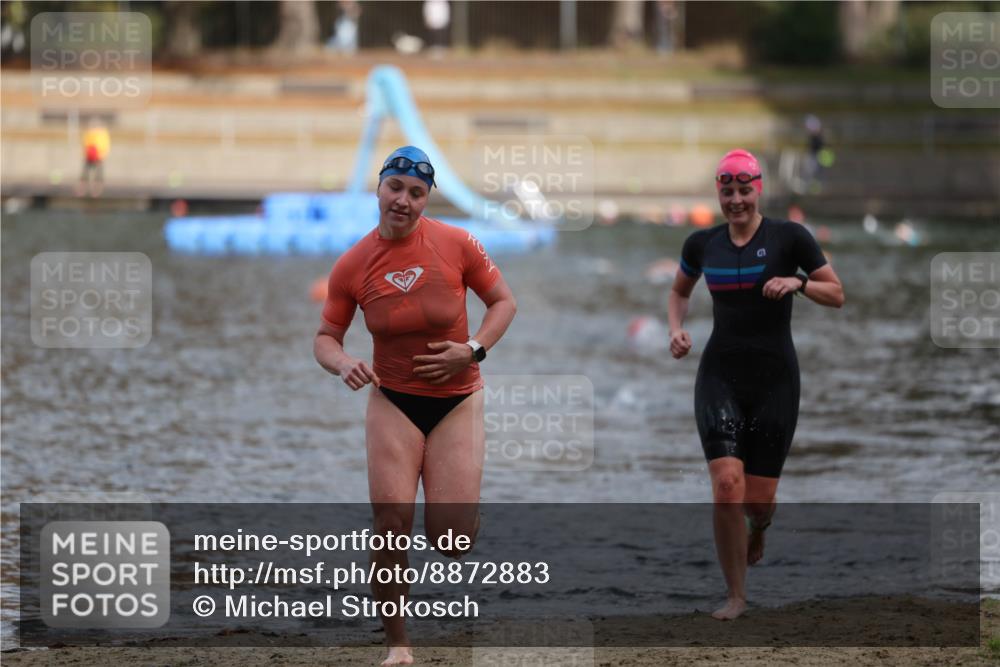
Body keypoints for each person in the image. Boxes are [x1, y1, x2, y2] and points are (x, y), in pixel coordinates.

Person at [313, 146, 516, 665]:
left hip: (457, 399)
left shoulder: (457, 243)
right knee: (389, 521)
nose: (403, 201)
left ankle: (465, 512)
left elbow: (503, 303)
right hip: (392, 399)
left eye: (416, 193)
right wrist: (343, 364)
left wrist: (473, 349)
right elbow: (325, 338)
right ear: (379, 189)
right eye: (395, 188)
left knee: (451, 542)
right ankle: (398, 646)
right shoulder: (353, 263)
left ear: (427, 199)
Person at [667, 149, 844, 621]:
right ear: (719, 194)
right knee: (727, 485)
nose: (736, 200)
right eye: (728, 191)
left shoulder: (790, 238)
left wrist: (798, 283)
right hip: (719, 375)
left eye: (745, 190)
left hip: (775, 381)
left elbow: (837, 293)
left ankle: (760, 527)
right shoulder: (702, 244)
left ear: (758, 189)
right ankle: (736, 597)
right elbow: (679, 291)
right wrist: (676, 329)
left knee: (758, 502)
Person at [77, 117, 110, 197]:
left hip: (99, 156)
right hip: (89, 156)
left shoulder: (102, 133)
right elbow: (84, 143)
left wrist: (101, 154)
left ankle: (97, 191)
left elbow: (105, 145)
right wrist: (86, 152)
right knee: (85, 174)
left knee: (98, 175)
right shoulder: (89, 133)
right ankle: (82, 190)